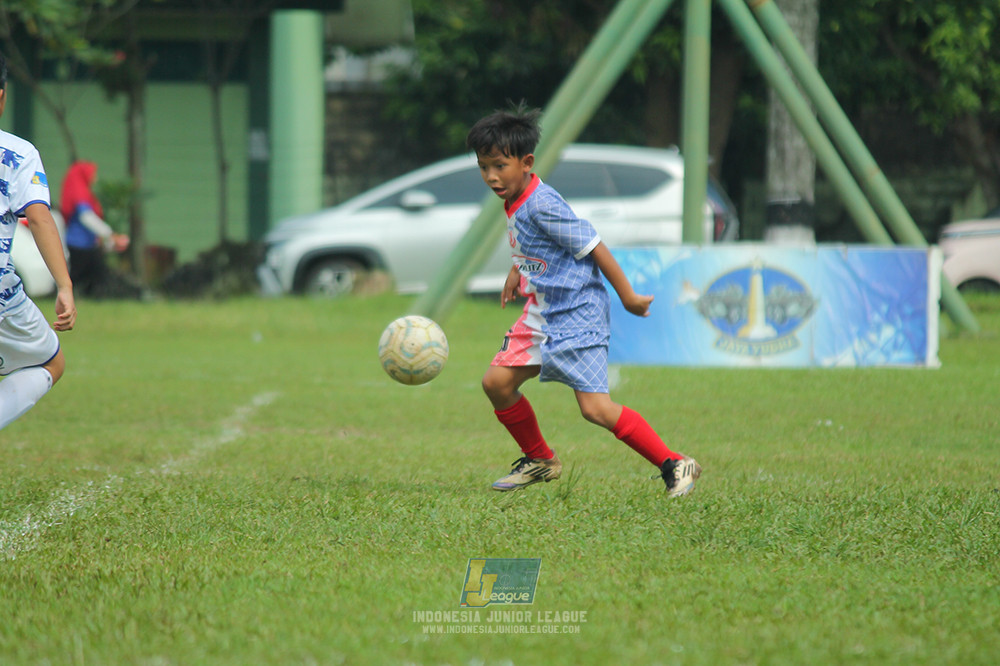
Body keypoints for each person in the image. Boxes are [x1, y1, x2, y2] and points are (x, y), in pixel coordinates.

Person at [467, 105, 701, 497]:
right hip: (542, 310)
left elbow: (594, 246)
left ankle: (675, 463)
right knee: (497, 383)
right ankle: (540, 459)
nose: (491, 176)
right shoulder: (516, 196)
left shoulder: (543, 202)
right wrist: (516, 271)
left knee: (595, 409)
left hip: (577, 312)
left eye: (499, 165)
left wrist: (627, 296)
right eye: (483, 166)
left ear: (526, 163)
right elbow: (533, 243)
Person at [0, 52, 77, 431]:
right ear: (2, 96)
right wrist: (64, 284)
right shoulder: (17, 152)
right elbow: (40, 217)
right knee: (51, 362)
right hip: (1, 296)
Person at [61, 160, 128, 298]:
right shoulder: (79, 194)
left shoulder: (83, 192)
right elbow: (87, 218)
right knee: (78, 275)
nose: (95, 178)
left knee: (94, 273)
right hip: (78, 243)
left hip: (88, 243)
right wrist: (109, 234)